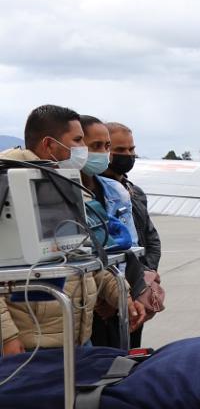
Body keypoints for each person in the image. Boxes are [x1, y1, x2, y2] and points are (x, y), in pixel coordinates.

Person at [0, 105, 141, 356]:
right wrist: (7, 336)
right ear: (49, 144)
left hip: (75, 339)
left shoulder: (64, 184)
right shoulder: (6, 188)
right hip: (30, 347)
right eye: (77, 141)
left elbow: (81, 254)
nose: (83, 149)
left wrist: (122, 295)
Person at [80, 115, 147, 347]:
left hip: (121, 293)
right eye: (96, 146)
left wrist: (123, 293)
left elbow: (132, 246)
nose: (104, 153)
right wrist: (103, 296)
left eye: (107, 146)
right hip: (87, 301)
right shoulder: (62, 192)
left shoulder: (117, 191)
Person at [104, 122, 165, 348]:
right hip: (104, 298)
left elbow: (151, 240)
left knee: (132, 351)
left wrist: (144, 280)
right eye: (120, 150)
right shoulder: (90, 193)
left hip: (135, 290)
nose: (128, 155)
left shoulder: (135, 192)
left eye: (131, 149)